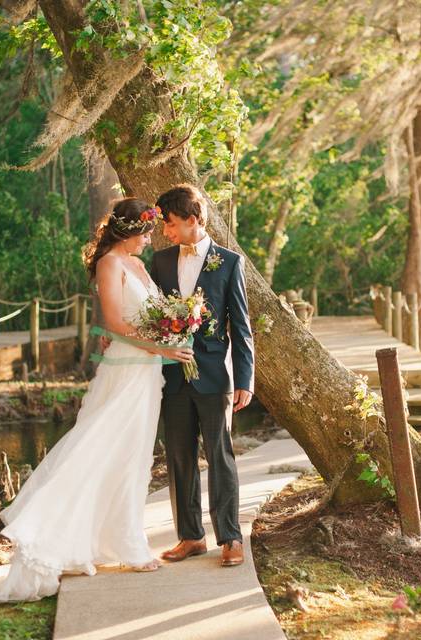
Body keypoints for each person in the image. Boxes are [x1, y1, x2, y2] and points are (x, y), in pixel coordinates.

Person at [0, 197, 193, 602]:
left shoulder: (138, 266)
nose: (150, 239)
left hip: (147, 375)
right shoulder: (110, 263)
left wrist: (170, 332)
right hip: (125, 372)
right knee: (99, 449)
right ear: (129, 230)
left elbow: (146, 317)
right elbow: (113, 324)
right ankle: (73, 535)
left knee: (132, 457)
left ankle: (110, 541)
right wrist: (162, 349)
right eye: (146, 231)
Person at [151, 184, 255, 568]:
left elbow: (240, 326)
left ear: (193, 220)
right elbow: (152, 318)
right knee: (178, 457)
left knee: (220, 455)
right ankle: (191, 537)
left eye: (172, 223)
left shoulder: (228, 262)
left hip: (214, 375)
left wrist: (246, 379)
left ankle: (230, 538)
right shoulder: (160, 262)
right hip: (173, 377)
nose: (167, 231)